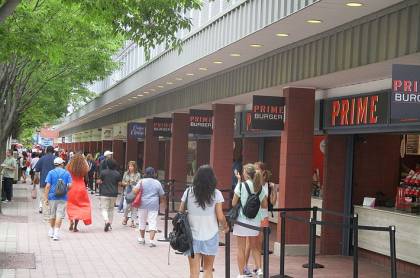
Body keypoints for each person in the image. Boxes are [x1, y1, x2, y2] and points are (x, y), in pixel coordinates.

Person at [179, 165, 229, 278]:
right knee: (208, 269)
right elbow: (220, 216)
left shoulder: (188, 192)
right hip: (211, 234)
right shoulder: (216, 194)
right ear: (212, 178)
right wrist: (225, 227)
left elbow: (181, 210)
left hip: (192, 236)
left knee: (193, 271)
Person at [232, 164, 268, 278]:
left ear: (246, 174)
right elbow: (265, 204)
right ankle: (259, 270)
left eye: (243, 171)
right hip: (255, 221)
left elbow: (233, 203)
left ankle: (242, 274)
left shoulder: (241, 186)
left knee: (241, 248)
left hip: (242, 220)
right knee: (255, 247)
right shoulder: (259, 187)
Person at [133, 167, 164, 247]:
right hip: (154, 204)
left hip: (142, 203)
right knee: (152, 221)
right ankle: (151, 241)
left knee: (142, 221)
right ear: (154, 173)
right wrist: (161, 202)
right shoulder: (157, 182)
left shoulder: (141, 181)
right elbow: (161, 194)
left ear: (145, 173)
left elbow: (135, 191)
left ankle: (142, 238)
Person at [44, 157, 72, 241]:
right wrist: (65, 189)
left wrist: (46, 198)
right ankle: (56, 233)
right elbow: (70, 185)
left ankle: (51, 230)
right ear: (62, 164)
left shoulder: (51, 172)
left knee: (52, 214)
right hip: (63, 197)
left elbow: (48, 186)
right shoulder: (66, 173)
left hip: (52, 196)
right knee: (59, 215)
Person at [66, 154, 92, 232]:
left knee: (70, 205)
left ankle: (71, 221)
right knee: (80, 206)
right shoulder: (84, 167)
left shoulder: (69, 166)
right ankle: (75, 227)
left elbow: (66, 173)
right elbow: (87, 172)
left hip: (71, 187)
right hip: (81, 187)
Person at [98, 159, 122, 232]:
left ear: (107, 165)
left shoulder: (103, 172)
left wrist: (100, 182)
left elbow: (99, 181)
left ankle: (106, 221)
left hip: (104, 193)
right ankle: (109, 224)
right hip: (114, 194)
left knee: (104, 209)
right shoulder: (117, 173)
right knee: (111, 209)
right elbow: (120, 184)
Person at [35, 146, 56, 215]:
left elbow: (37, 170)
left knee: (43, 196)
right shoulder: (56, 159)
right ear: (53, 151)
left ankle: (43, 210)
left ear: (46, 151)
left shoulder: (42, 158)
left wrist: (36, 178)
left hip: (43, 181)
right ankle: (51, 210)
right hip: (54, 182)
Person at [122, 161, 141, 227]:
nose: (130, 167)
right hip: (127, 192)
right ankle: (126, 217)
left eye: (132, 166)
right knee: (126, 206)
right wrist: (126, 183)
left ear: (134, 167)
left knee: (134, 208)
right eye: (129, 166)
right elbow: (123, 182)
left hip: (135, 192)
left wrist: (134, 183)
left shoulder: (138, 174)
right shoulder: (126, 173)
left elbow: (139, 183)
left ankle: (132, 221)